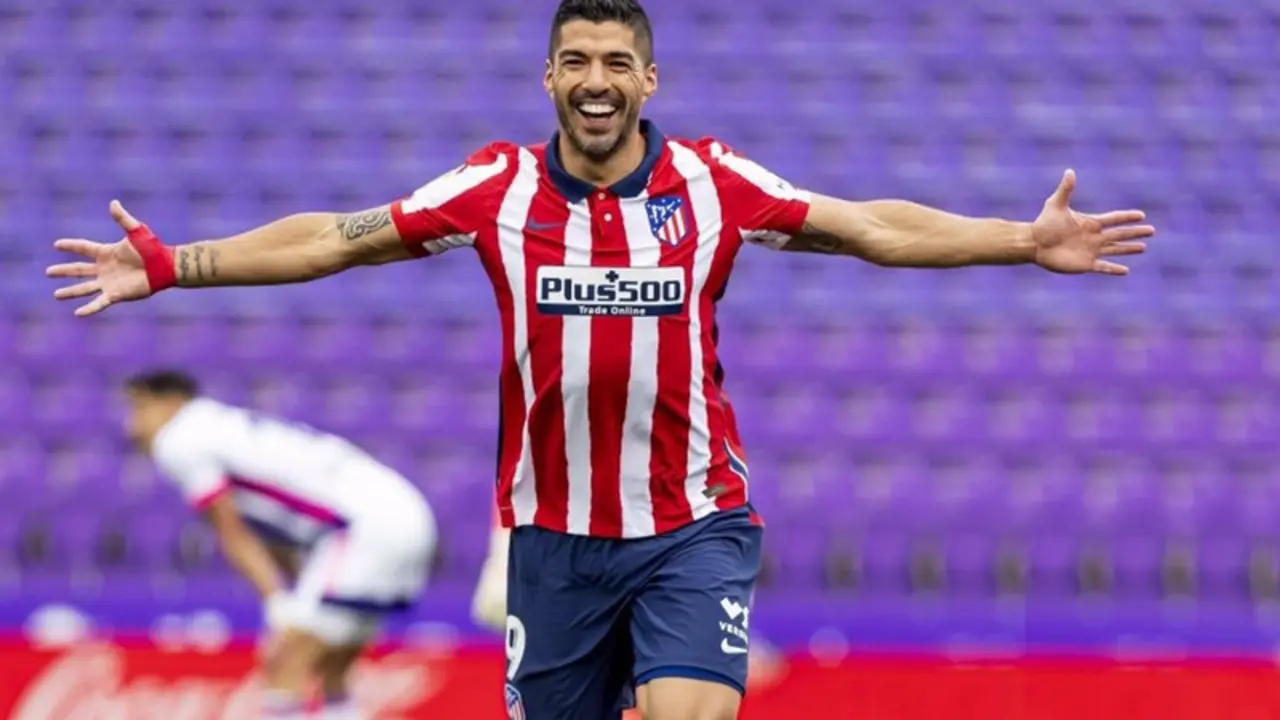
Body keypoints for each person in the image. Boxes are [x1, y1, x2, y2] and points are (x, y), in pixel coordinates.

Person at [48, 0, 1155, 715]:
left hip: (691, 526)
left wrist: (1020, 239)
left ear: (647, 82)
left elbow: (868, 225)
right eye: (573, 58)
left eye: (616, 61)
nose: (594, 77)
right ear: (547, 80)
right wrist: (177, 263)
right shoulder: (495, 189)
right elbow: (335, 237)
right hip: (551, 542)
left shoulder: (714, 185)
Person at [120, 370, 436, 720]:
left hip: (362, 528)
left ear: (171, 402)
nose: (132, 427)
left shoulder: (179, 439)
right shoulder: (219, 425)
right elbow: (274, 533)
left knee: (285, 658)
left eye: (139, 408)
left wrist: (276, 601)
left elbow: (232, 532)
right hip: (402, 512)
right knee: (333, 666)